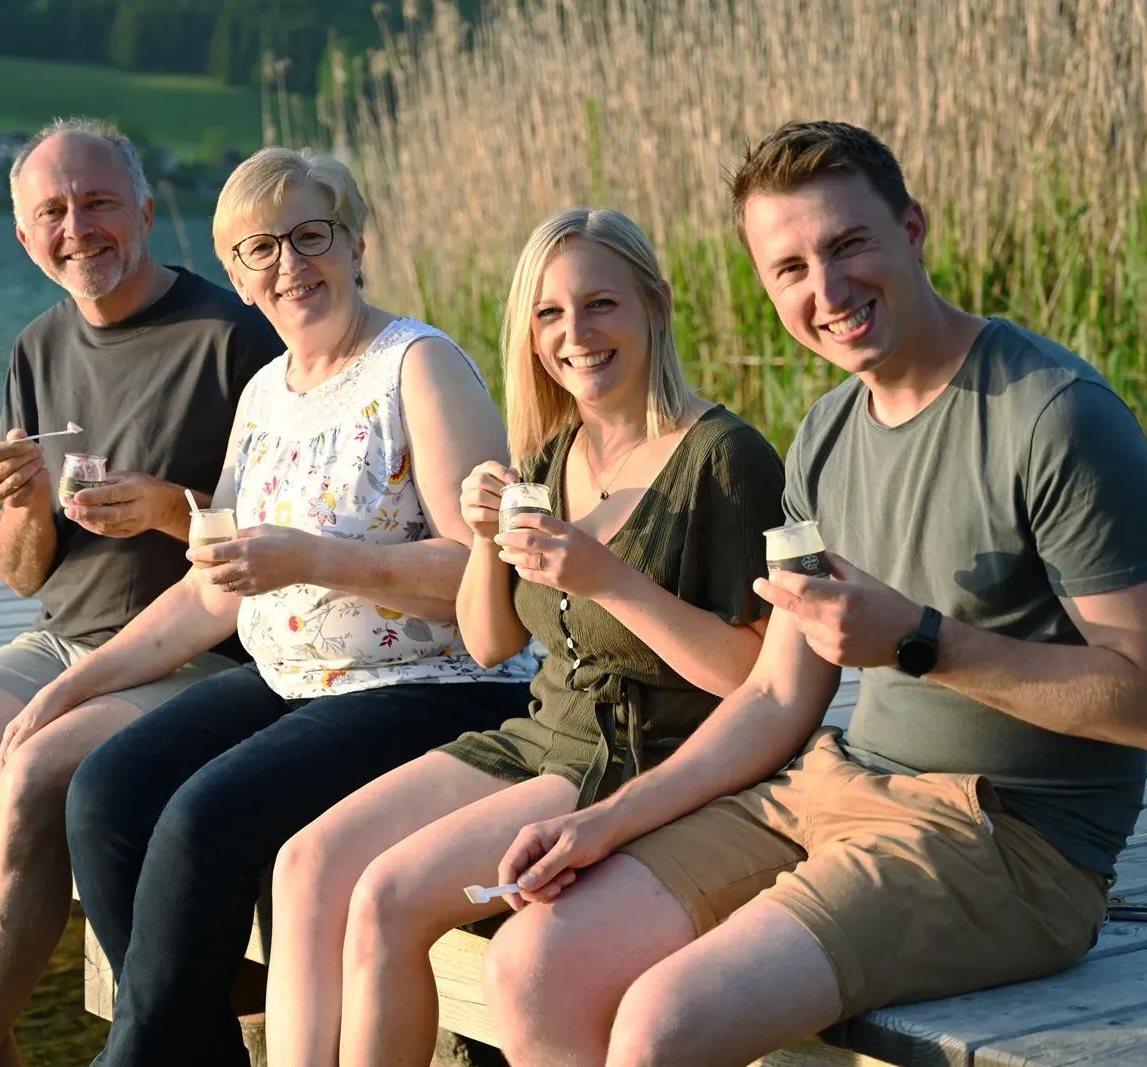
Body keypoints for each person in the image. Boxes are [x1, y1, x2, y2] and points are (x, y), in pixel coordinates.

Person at [478, 120, 1147, 1067]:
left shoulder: (1057, 419)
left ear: (912, 228)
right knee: (535, 964)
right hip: (832, 783)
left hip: (1009, 837)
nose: (827, 290)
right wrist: (599, 820)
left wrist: (920, 641)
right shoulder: (823, 434)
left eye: (848, 244)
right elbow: (777, 695)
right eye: (789, 267)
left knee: (664, 1021)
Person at [46, 146, 536, 1067]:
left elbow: (484, 571)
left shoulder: (418, 366)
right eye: (260, 249)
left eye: (312, 235)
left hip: (435, 683)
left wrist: (316, 558)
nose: (290, 264)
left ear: (357, 243)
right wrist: (75, 688)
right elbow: (214, 586)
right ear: (235, 274)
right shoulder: (267, 390)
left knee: (204, 821)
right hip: (296, 678)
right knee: (104, 794)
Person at [265, 206, 788, 1067]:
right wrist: (481, 538)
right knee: (308, 861)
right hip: (535, 735)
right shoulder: (551, 456)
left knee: (388, 897)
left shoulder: (724, 457)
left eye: (599, 305)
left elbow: (751, 676)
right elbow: (488, 641)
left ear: (654, 303)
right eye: (549, 314)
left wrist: (606, 577)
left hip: (637, 754)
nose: (575, 334)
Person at [0, 117, 283, 1067]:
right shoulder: (36, 348)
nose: (77, 226)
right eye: (53, 210)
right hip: (60, 639)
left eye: (96, 203)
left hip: (198, 653)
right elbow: (19, 569)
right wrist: (26, 507)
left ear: (146, 211)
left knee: (35, 779)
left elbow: (288, 535)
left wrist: (173, 509)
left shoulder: (233, 336)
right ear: (23, 236)